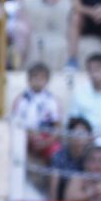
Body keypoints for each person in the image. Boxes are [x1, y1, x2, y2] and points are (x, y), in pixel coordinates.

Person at [13, 61, 63, 193]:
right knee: (15, 152)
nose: (38, 81)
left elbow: (58, 125)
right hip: (25, 137)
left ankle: (52, 195)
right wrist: (30, 136)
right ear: (29, 79)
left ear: (47, 80)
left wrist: (48, 141)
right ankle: (18, 191)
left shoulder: (53, 100)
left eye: (42, 78)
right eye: (35, 77)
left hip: (46, 137)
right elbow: (16, 123)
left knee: (58, 156)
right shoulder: (21, 100)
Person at [48, 114, 93, 200]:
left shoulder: (92, 156)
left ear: (90, 137)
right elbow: (54, 186)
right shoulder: (59, 156)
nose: (79, 138)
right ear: (69, 135)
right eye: (76, 133)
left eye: (82, 134)